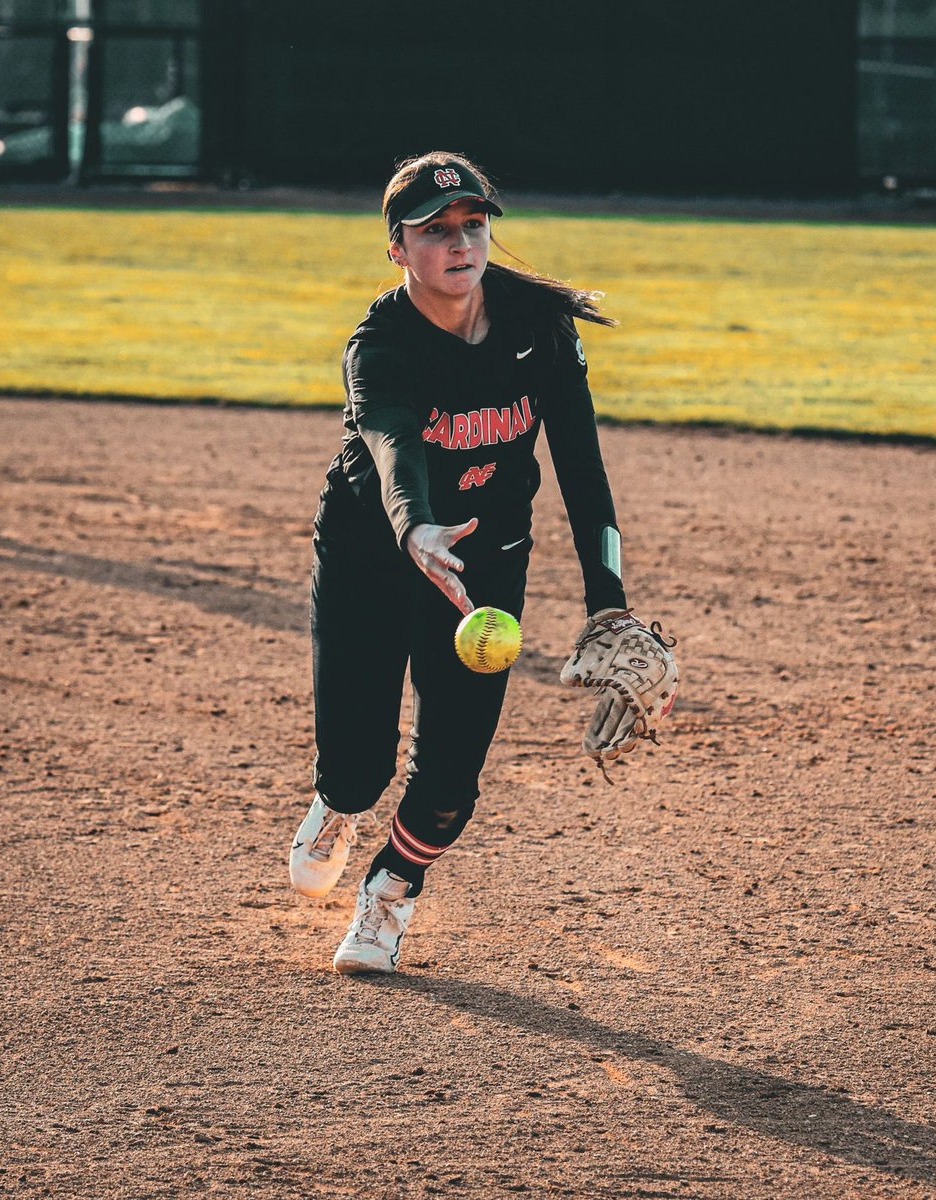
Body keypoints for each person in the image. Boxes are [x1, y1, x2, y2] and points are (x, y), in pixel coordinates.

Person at [288, 151, 660, 975]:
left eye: (473, 225)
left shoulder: (538, 330)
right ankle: (340, 805)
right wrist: (416, 530)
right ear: (397, 248)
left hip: (485, 567)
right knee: (357, 767)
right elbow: (391, 449)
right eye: (435, 231)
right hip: (371, 556)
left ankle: (388, 894)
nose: (460, 244)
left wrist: (610, 601)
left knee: (452, 773)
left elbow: (582, 466)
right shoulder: (379, 344)